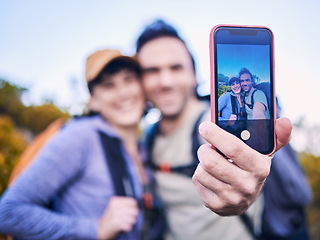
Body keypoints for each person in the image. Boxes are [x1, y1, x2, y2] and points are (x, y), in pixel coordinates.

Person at [136, 19, 292, 239]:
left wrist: (243, 194)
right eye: (152, 70)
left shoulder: (214, 126)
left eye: (176, 67)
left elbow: (247, 175)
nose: (166, 81)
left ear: (194, 75)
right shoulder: (148, 137)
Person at [0, 49, 161, 239]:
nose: (123, 93)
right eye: (109, 85)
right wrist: (95, 229)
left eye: (129, 79)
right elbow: (8, 212)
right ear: (92, 101)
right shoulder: (81, 137)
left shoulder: (144, 145)